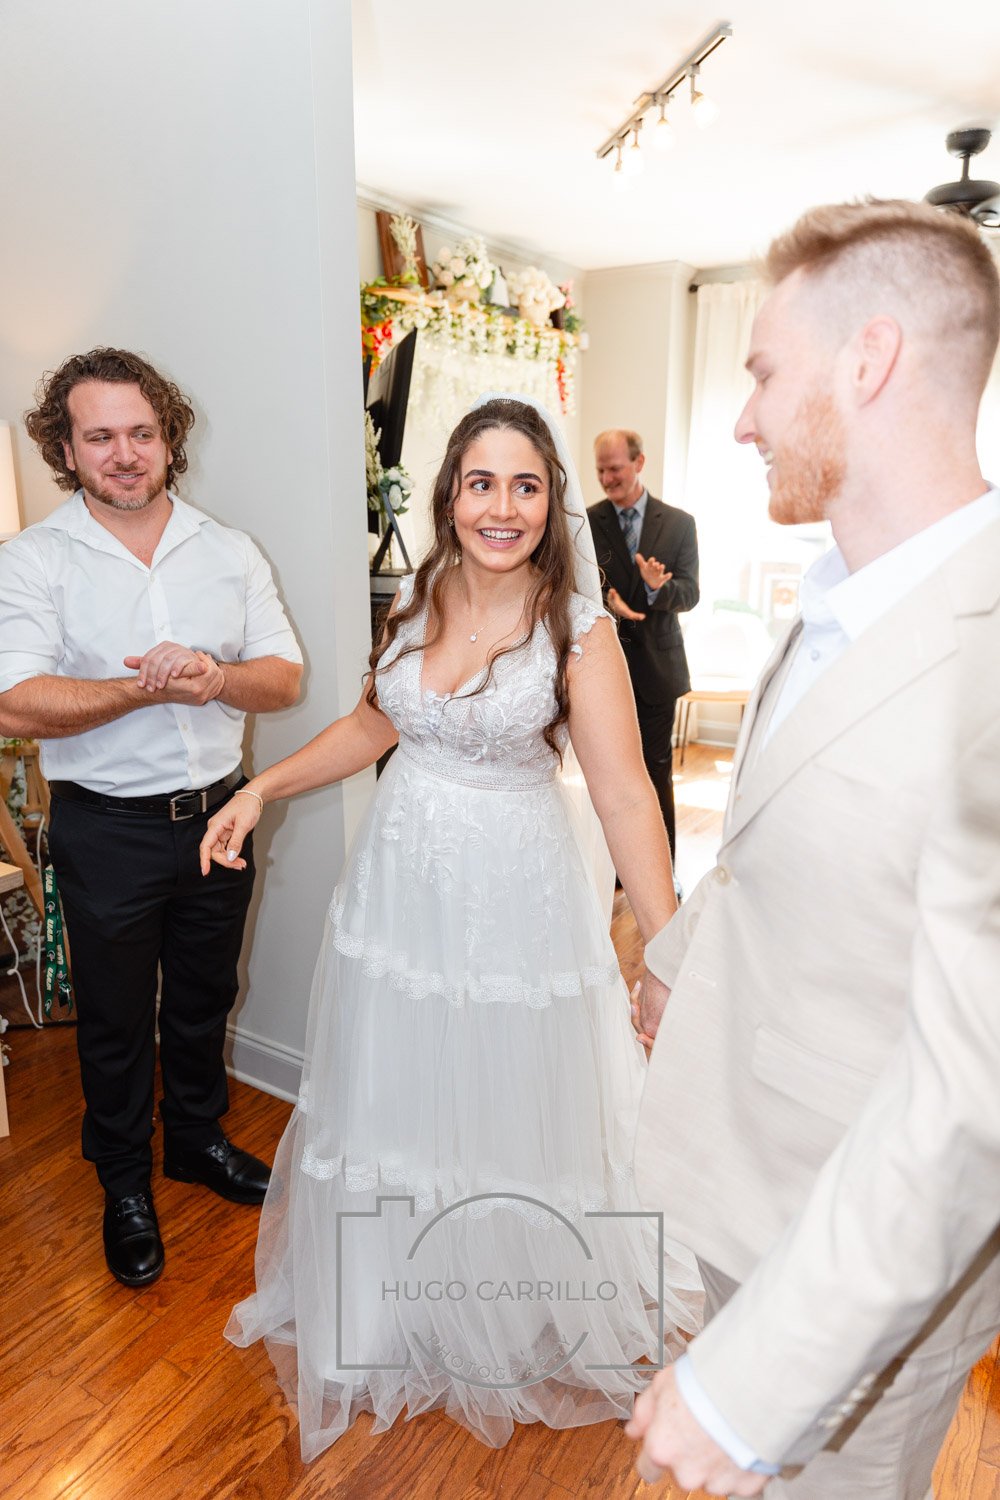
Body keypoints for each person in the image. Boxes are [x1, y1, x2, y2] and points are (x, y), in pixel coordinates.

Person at [203, 395, 700, 1461]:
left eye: (526, 485)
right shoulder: (423, 594)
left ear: (550, 500)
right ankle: (394, 1304)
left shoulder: (577, 629)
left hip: (511, 903)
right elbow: (375, 720)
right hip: (401, 898)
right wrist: (262, 789)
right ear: (450, 494)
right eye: (482, 482)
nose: (503, 506)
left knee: (503, 1096)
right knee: (396, 1095)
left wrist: (662, 953)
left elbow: (622, 799)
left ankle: (508, 1309)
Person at [627, 199, 1000, 1499]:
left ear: (871, 361)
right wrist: (678, 949)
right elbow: (773, 828)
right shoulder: (843, 593)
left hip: (861, 1251)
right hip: (750, 1166)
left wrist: (748, 1383)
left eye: (762, 371)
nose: (740, 419)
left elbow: (973, 1098)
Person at [0, 349, 303, 1288]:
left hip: (220, 817)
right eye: (100, 436)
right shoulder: (33, 560)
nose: (125, 453)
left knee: (206, 995)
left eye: (142, 432)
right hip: (107, 830)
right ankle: (125, 1182)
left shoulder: (230, 549)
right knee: (118, 1019)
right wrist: (141, 691)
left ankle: (198, 1142)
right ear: (65, 446)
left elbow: (284, 677)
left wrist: (214, 677)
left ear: (169, 437)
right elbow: (13, 703)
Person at [588, 430, 699, 864]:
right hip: (603, 672)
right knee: (610, 775)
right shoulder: (586, 520)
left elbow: (690, 593)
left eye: (614, 468)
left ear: (639, 463)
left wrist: (655, 591)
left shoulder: (678, 524)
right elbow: (573, 586)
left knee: (656, 771)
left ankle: (660, 867)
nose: (606, 478)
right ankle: (616, 867)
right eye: (600, 469)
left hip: (657, 671)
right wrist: (606, 601)